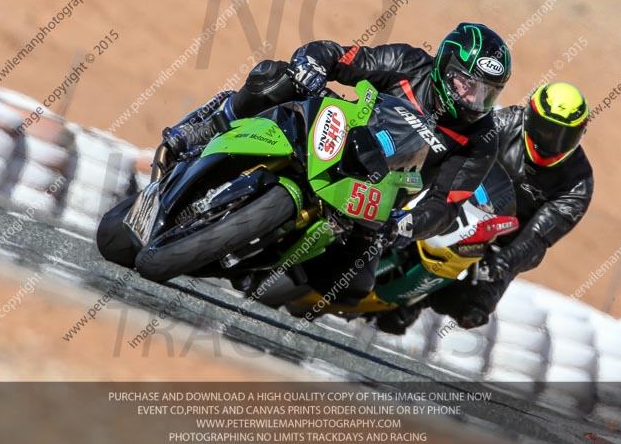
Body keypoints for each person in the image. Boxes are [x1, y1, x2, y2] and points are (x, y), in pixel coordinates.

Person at [102, 23, 512, 305]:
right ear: (444, 66)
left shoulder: (481, 140)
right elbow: (342, 56)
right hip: (336, 135)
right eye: (466, 84)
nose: (472, 100)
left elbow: (445, 203)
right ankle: (210, 126)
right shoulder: (409, 63)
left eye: (486, 93)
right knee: (275, 77)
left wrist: (407, 225)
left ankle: (264, 265)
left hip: (375, 199)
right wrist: (313, 65)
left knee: (352, 285)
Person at [377, 82, 594, 334]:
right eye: (544, 128)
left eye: (562, 135)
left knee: (473, 309)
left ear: (580, 133)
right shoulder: (505, 123)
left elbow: (537, 238)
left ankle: (418, 299)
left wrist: (501, 263)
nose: (549, 140)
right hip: (459, 201)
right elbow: (461, 145)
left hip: (497, 244)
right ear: (529, 115)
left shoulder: (577, 184)